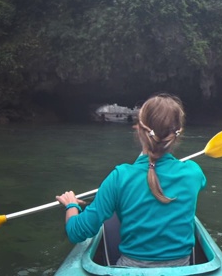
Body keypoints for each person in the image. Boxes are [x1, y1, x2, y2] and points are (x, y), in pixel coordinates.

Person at [56, 93, 207, 267]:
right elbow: (192, 183)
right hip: (182, 267)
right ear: (178, 133)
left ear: (138, 130)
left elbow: (76, 232)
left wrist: (71, 205)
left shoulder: (120, 177)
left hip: (130, 267)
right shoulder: (193, 173)